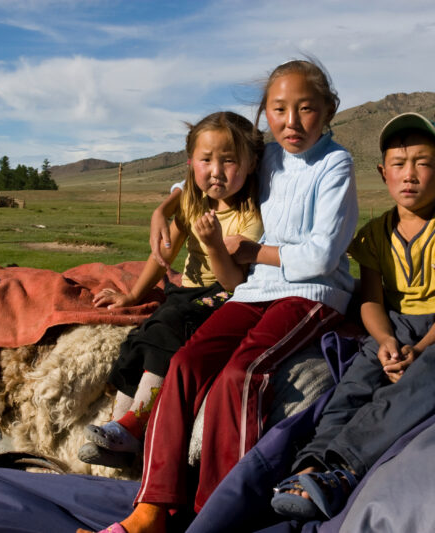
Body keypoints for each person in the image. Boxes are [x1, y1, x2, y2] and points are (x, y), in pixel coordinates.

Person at [87, 59, 359, 533]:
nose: (291, 122)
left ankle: (218, 512)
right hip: (254, 290)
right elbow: (209, 171)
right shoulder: (269, 156)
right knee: (187, 364)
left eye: (306, 109)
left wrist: (256, 250)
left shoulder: (335, 164)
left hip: (311, 294)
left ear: (330, 110)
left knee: (242, 372)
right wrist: (165, 204)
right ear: (264, 115)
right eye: (279, 110)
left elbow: (320, 255)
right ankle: (151, 508)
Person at [270, 112, 435, 521]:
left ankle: (344, 471)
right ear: (383, 173)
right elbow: (371, 301)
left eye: (423, 163)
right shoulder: (375, 234)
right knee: (354, 385)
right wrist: (384, 341)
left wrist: (419, 349)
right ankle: (308, 467)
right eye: (398, 164)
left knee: (426, 380)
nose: (409, 175)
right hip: (396, 326)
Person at [78, 111, 264, 467]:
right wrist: (133, 295)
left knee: (172, 326)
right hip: (186, 292)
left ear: (251, 163)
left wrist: (214, 245)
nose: (216, 171)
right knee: (140, 339)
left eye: (229, 161)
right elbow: (165, 253)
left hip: (221, 295)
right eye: (206, 160)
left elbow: (234, 283)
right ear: (191, 162)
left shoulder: (248, 216)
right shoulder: (194, 202)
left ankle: (132, 429)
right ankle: (119, 428)